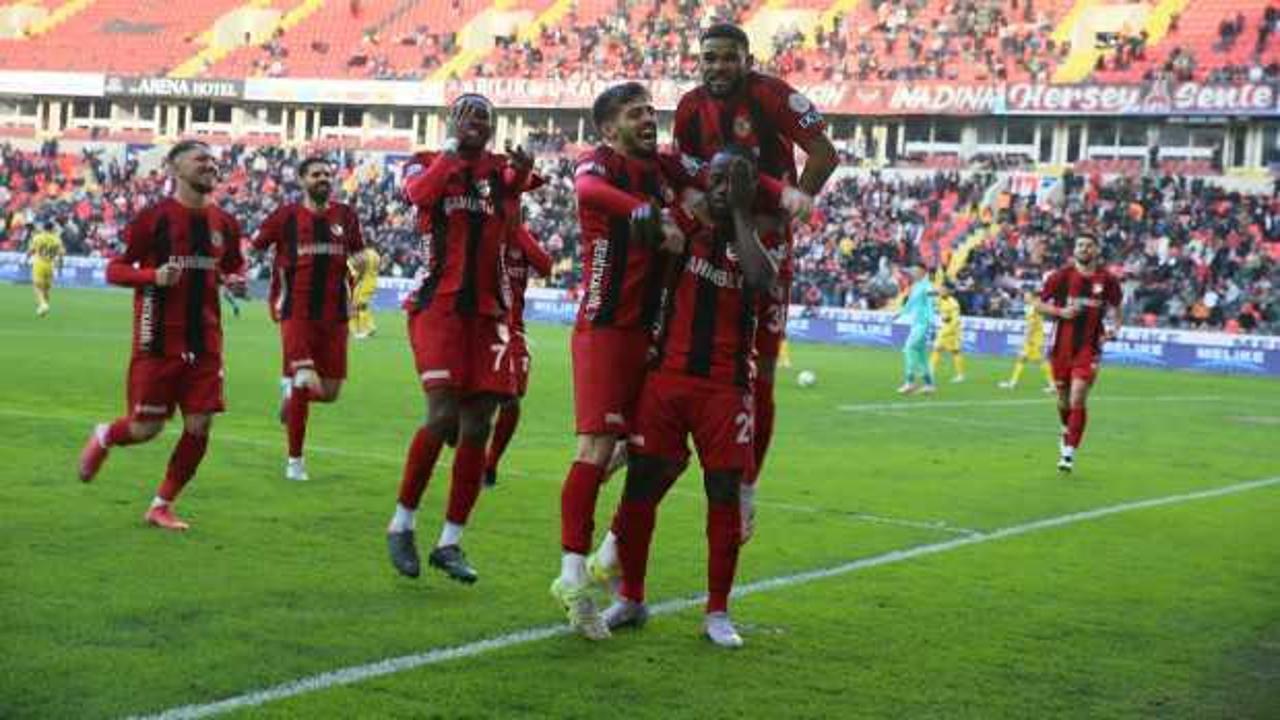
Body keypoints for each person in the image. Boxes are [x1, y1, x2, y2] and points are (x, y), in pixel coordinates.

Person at [604, 147, 778, 649]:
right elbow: (645, 234)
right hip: (667, 380)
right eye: (719, 179)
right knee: (641, 486)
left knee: (722, 491)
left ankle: (718, 612)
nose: (725, 189)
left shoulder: (755, 238)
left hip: (726, 387)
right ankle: (631, 598)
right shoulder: (685, 227)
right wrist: (639, 218)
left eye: (737, 182)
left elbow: (762, 280)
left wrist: (742, 210)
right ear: (705, 181)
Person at [673, 22, 837, 541]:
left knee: (761, 367)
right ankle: (635, 439)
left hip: (765, 239)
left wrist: (783, 219)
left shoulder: (770, 95)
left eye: (727, 57)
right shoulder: (689, 106)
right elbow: (682, 172)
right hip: (708, 237)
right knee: (679, 343)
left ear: (747, 59)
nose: (717, 66)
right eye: (709, 58)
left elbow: (825, 154)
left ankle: (746, 487)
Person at [552, 82, 697, 640]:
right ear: (609, 128)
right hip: (605, 329)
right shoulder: (601, 165)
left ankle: (609, 551)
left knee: (666, 455)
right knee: (594, 449)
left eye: (650, 112)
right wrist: (650, 214)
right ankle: (572, 578)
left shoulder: (662, 169)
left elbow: (711, 182)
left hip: (650, 335)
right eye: (636, 114)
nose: (648, 120)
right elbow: (586, 190)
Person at [385, 93, 534, 585]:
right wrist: (450, 151)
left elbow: (513, 214)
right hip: (439, 307)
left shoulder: (500, 172)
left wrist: (518, 178)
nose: (477, 124)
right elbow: (419, 196)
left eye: (485, 119)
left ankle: (450, 540)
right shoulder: (426, 163)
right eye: (468, 116)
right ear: (451, 122)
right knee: (443, 413)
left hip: (489, 313)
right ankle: (401, 523)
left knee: (477, 425)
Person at [76, 140, 246, 531]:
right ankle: (106, 435)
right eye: (200, 159)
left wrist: (234, 281)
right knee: (144, 429)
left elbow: (234, 267)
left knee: (200, 424)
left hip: (205, 341)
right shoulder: (154, 219)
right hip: (157, 339)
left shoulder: (225, 224)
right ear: (174, 168)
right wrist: (152, 276)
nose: (210, 165)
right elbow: (114, 270)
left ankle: (161, 505)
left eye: (212, 159)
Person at [252, 156, 367, 482]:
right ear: (302, 180)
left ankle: (292, 396)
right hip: (296, 312)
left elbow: (358, 253)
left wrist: (363, 263)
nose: (323, 179)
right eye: (316, 174)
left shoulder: (346, 215)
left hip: (335, 313)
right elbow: (257, 246)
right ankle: (295, 462)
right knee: (305, 377)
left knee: (329, 392)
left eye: (327, 174)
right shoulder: (285, 216)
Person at [1035, 234, 1122, 472]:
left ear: (1096, 250)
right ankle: (1066, 430)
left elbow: (1115, 306)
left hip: (1090, 348)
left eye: (1088, 245)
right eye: (1080, 245)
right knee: (1063, 399)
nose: (1084, 249)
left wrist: (1115, 327)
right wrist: (1060, 312)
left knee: (1078, 396)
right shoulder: (1061, 276)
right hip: (1061, 348)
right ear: (1074, 249)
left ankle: (1068, 453)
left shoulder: (1107, 279)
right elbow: (1038, 304)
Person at [484, 223, 552, 489]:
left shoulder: (519, 237)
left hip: (513, 331)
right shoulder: (484, 227)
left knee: (512, 399)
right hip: (485, 324)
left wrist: (516, 229)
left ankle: (490, 464)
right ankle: (478, 463)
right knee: (481, 400)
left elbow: (546, 267)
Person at [999, 290, 1055, 392]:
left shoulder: (1033, 307)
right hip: (1033, 338)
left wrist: (1027, 338)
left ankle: (1053, 385)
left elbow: (1032, 324)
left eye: (1027, 296)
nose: (1025, 297)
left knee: (1040, 360)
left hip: (1034, 339)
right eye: (1024, 296)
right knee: (1022, 359)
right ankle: (1012, 383)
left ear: (1032, 297)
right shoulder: (1031, 307)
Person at [895, 264, 936, 395]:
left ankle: (910, 382)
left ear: (923, 272)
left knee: (909, 349)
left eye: (915, 271)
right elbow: (911, 303)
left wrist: (931, 324)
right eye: (912, 271)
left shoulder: (928, 287)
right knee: (921, 354)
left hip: (923, 324)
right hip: (917, 323)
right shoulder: (916, 286)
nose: (913, 273)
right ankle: (929, 384)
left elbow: (931, 306)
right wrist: (901, 312)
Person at [929, 282, 966, 383]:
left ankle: (930, 373)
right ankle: (960, 375)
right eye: (941, 289)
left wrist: (946, 333)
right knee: (953, 352)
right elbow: (932, 297)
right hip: (945, 326)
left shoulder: (953, 303)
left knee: (940, 349)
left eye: (943, 289)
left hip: (952, 329)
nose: (941, 290)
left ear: (949, 291)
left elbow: (955, 320)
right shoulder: (940, 299)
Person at [27, 220, 64, 317]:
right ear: (52, 229)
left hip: (39, 263)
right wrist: (60, 268)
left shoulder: (38, 237)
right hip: (51, 264)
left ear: (44, 228)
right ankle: (44, 310)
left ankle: (43, 304)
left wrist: (27, 257)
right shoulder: (57, 239)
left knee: (37, 287)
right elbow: (61, 255)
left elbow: (31, 251)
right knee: (46, 289)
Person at [349, 245, 381, 339]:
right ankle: (368, 327)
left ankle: (363, 329)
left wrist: (355, 277)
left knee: (358, 305)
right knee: (362, 305)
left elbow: (360, 268)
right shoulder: (376, 255)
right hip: (373, 281)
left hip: (364, 282)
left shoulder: (365, 254)